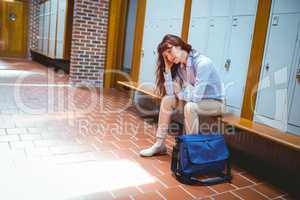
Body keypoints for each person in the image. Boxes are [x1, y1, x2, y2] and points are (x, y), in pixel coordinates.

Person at [139, 34, 225, 157]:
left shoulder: (202, 63)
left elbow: (196, 98)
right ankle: (159, 145)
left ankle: (193, 151)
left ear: (179, 45)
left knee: (190, 107)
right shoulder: (180, 66)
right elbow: (170, 93)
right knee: (167, 100)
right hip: (198, 100)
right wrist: (168, 70)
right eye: (165, 56)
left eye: (170, 51)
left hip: (216, 103)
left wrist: (180, 93)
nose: (169, 57)